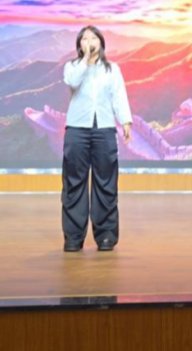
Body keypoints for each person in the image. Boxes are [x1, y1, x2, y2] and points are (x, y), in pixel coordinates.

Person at [61, 26, 132, 252]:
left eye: (94, 38)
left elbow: (119, 96)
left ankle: (106, 236)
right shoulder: (72, 67)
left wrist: (126, 121)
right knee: (74, 183)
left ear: (101, 43)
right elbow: (73, 82)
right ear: (79, 44)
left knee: (106, 183)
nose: (89, 41)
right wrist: (86, 60)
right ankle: (73, 238)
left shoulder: (112, 69)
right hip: (77, 129)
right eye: (85, 39)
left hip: (104, 129)